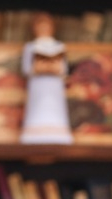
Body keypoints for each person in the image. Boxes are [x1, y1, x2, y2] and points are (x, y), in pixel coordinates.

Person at [19, 12, 73, 144]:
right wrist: (39, 68)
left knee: (54, 107)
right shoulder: (30, 47)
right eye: (40, 26)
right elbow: (26, 69)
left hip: (54, 86)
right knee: (38, 107)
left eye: (46, 26)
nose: (43, 29)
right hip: (38, 85)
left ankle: (57, 132)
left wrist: (53, 67)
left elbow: (64, 69)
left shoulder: (59, 46)